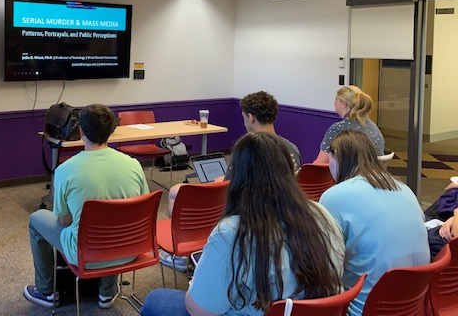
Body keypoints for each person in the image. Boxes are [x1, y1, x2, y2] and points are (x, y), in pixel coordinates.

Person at [141, 132, 344, 316]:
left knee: (154, 300)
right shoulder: (322, 213)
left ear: (238, 175)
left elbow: (200, 310)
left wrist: (197, 285)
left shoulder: (231, 232)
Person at [24, 104, 149, 309]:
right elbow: (140, 212)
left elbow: (65, 221)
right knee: (117, 220)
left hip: (84, 254)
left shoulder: (65, 170)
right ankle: (107, 292)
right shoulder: (133, 164)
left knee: (36, 219)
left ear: (80, 131)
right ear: (112, 130)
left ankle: (46, 291)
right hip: (129, 250)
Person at [161, 91, 301, 271]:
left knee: (176, 191)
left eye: (243, 117)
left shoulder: (246, 148)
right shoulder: (292, 148)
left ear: (251, 117)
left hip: (247, 214)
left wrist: (217, 181)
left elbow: (227, 188)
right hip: (284, 212)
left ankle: (180, 257)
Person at [319, 130, 430, 316]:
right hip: (412, 307)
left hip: (361, 308)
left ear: (337, 157)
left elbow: (323, 263)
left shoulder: (335, 196)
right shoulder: (405, 189)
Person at [313, 85, 384, 164]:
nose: (334, 102)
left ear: (343, 104)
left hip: (351, 175)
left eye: (336, 99)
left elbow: (319, 164)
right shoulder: (374, 127)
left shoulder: (338, 129)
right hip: (374, 175)